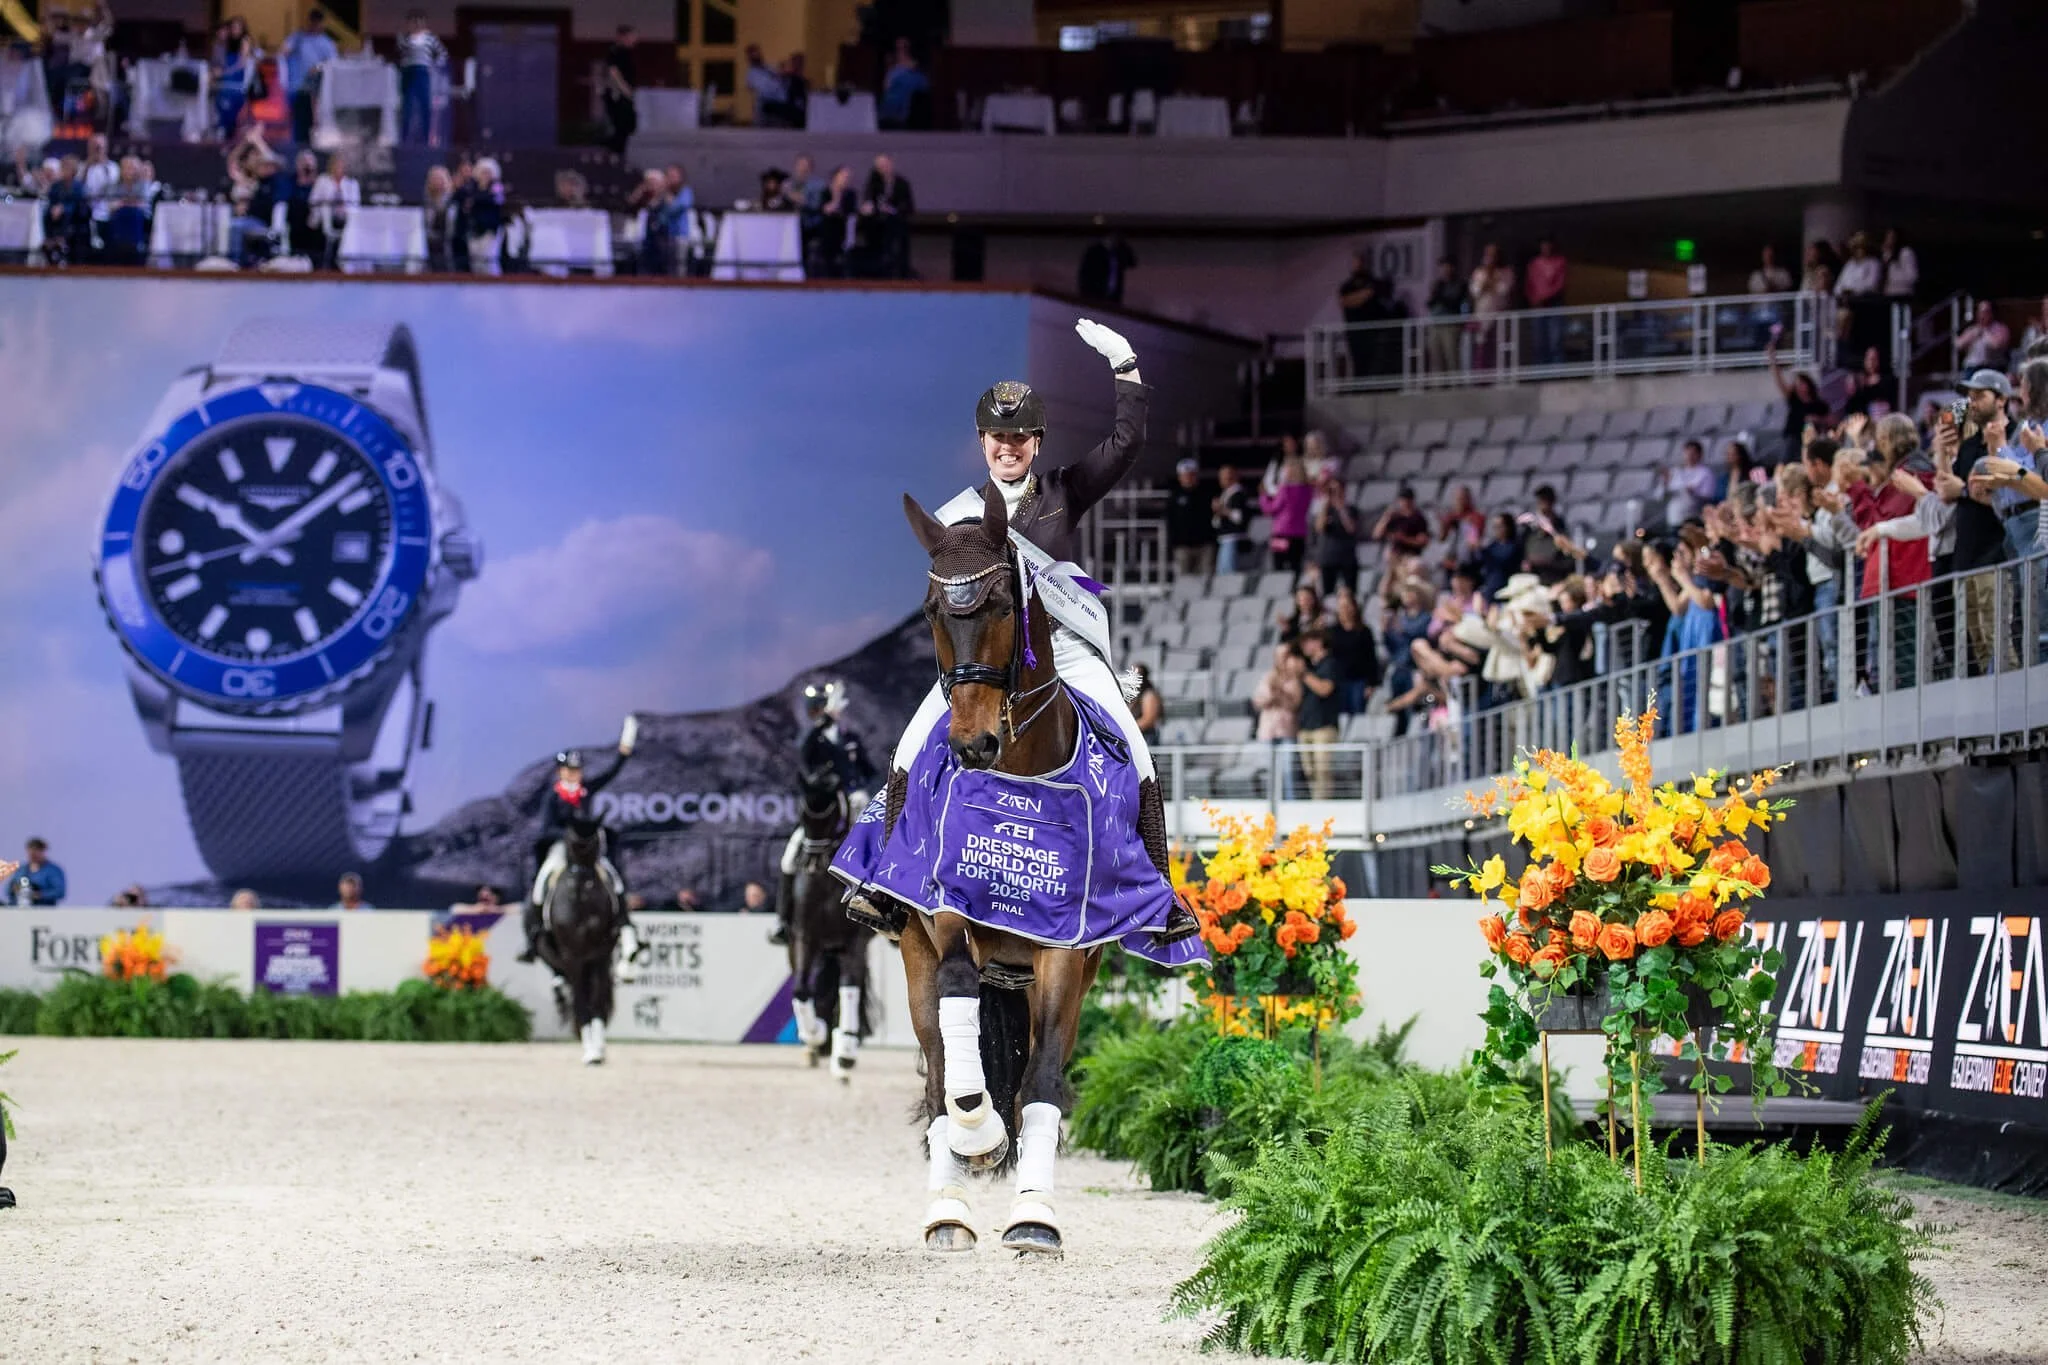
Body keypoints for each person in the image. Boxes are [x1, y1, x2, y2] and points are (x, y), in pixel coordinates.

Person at [881, 320, 1197, 943]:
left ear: (1037, 441)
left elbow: (1127, 442)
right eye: (999, 437)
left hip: (1065, 652)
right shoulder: (957, 518)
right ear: (982, 441)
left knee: (1136, 749)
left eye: (1021, 437)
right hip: (989, 661)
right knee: (906, 749)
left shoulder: (1063, 491)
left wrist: (1125, 364)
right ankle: (891, 885)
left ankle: (1157, 894)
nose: (1010, 447)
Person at [519, 717, 644, 976]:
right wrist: (569, 835)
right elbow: (546, 828)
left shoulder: (585, 790)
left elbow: (611, 774)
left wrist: (624, 751)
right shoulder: (553, 797)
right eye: (570, 770)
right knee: (542, 883)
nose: (574, 774)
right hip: (561, 849)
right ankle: (533, 937)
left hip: (586, 850)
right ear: (561, 772)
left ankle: (624, 923)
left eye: (578, 770)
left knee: (613, 877)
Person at [770, 680, 875, 946]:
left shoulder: (849, 738)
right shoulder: (811, 737)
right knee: (789, 858)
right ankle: (783, 920)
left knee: (875, 842)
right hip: (823, 804)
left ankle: (884, 908)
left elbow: (867, 769)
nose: (818, 713)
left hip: (851, 799)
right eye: (815, 710)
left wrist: (858, 783)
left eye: (821, 708)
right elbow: (805, 766)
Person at [1295, 631, 1344, 799]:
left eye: (1307, 642)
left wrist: (1304, 675)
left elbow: (1325, 689)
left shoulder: (1330, 664)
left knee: (1322, 771)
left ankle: (1323, 807)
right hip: (1306, 725)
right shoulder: (1310, 667)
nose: (1304, 647)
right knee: (1309, 772)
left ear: (1319, 641)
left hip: (1324, 726)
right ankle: (1315, 803)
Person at [281, 9, 337, 147]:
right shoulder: (298, 38)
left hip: (315, 92)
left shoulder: (327, 43)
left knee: (313, 124)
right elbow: (284, 51)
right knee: (296, 123)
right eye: (312, 21)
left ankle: (312, 150)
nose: (315, 25)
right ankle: (296, 150)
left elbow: (333, 65)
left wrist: (318, 68)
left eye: (318, 22)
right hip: (296, 87)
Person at [1767, 333, 1830, 444]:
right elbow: (1779, 380)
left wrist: (1816, 419)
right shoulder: (1794, 400)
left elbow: (1831, 421)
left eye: (1801, 384)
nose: (1799, 387)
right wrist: (1772, 358)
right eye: (1797, 385)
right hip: (1792, 437)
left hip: (1812, 440)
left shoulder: (1819, 404)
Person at [859, 153, 913, 279]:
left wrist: (893, 210)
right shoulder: (873, 183)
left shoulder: (902, 183)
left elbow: (909, 207)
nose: (883, 169)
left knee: (897, 248)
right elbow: (868, 200)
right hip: (877, 226)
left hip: (896, 225)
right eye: (880, 166)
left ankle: (899, 275)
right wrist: (868, 208)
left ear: (891, 164)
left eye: (885, 165)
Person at [1327, 590, 1381, 715]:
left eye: (1348, 606)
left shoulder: (1364, 631)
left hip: (1359, 681)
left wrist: (1371, 683)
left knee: (1358, 712)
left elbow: (1371, 658)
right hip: (1339, 680)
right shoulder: (1332, 631)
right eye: (1342, 607)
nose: (1345, 610)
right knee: (1341, 715)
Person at [396, 12, 445, 147]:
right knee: (407, 107)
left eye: (419, 22)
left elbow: (442, 54)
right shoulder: (405, 38)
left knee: (424, 106)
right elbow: (400, 52)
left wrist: (433, 66)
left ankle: (425, 139)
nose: (416, 25)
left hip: (423, 72)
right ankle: (404, 139)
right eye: (413, 22)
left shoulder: (430, 38)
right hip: (408, 72)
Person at [1310, 474, 1362, 597]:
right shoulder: (1324, 510)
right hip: (1327, 558)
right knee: (1327, 593)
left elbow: (1351, 528)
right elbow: (1319, 527)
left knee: (1350, 592)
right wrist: (1326, 502)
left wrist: (1340, 507)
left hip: (1347, 558)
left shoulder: (1351, 509)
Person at [1165, 458, 1216, 577]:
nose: (1188, 478)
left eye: (1191, 475)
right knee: (1184, 580)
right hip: (1183, 546)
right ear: (1180, 477)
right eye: (1185, 475)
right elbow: (1170, 521)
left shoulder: (1206, 494)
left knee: (1205, 578)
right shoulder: (1174, 497)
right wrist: (1174, 542)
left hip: (1204, 545)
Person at [1524, 238, 1568, 365]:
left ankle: (1557, 373)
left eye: (1548, 246)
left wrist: (1544, 297)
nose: (1546, 248)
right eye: (1543, 246)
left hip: (1554, 305)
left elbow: (1560, 284)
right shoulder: (1534, 264)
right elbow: (1529, 284)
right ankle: (1539, 373)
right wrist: (1532, 299)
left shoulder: (1560, 261)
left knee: (1555, 340)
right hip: (1538, 307)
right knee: (1538, 342)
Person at [211, 17, 254, 140]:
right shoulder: (227, 42)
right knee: (220, 101)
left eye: (237, 28)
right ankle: (224, 129)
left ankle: (229, 131)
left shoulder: (244, 41)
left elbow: (242, 63)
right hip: (225, 79)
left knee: (231, 102)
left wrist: (225, 72)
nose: (234, 30)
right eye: (232, 28)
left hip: (236, 79)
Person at [1425, 257, 1469, 375]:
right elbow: (1430, 303)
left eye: (1447, 266)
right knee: (1436, 359)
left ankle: (1455, 388)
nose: (1445, 270)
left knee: (1452, 358)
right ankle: (1437, 388)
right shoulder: (1437, 285)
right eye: (1442, 267)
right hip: (1435, 326)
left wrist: (1441, 297)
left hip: (1451, 326)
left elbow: (1456, 303)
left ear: (1453, 268)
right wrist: (1436, 296)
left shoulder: (1460, 284)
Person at [1663, 439, 1720, 526]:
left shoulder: (1706, 473)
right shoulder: (1676, 472)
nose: (1689, 456)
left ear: (1700, 455)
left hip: (1693, 518)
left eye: (1693, 453)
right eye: (1687, 453)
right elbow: (1664, 494)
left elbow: (1708, 497)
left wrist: (1693, 492)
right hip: (1674, 517)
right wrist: (1666, 482)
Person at [602, 25, 639, 156]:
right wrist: (626, 90)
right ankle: (614, 154)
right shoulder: (616, 51)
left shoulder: (627, 53)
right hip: (618, 96)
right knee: (621, 126)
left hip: (625, 96)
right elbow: (614, 73)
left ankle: (620, 153)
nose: (635, 39)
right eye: (632, 36)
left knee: (628, 127)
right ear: (623, 37)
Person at [877, 37, 928, 130]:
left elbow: (924, 86)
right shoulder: (892, 69)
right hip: (888, 113)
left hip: (906, 113)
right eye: (898, 48)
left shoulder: (916, 69)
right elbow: (886, 88)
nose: (900, 51)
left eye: (904, 47)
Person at [1212, 463, 1255, 573]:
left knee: (1229, 573)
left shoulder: (1239, 494)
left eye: (1225, 475)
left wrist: (1222, 510)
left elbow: (1239, 517)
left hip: (1233, 539)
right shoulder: (1225, 494)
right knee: (1222, 572)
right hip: (1224, 538)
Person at [1077, 233, 1136, 304]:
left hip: (1113, 293)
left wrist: (1124, 246)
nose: (1114, 242)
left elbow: (1132, 263)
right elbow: (1085, 272)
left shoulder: (1118, 253)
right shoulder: (1094, 251)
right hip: (1094, 292)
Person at [5, 839, 64, 905]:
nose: (33, 854)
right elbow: (8, 890)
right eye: (31, 852)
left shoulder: (52, 870)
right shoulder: (21, 870)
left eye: (36, 851)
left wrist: (39, 895)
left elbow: (59, 892)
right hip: (19, 908)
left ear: (43, 851)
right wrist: (16, 890)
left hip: (42, 909)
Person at [1957, 302, 2011, 374]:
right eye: (1980, 312)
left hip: (1993, 367)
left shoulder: (2000, 328)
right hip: (1972, 367)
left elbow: (1997, 345)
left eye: (1985, 312)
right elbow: (1958, 345)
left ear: (1992, 313)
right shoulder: (1972, 329)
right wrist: (1971, 336)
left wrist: (1985, 332)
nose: (1982, 315)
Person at [1130, 662, 1163, 747]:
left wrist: (1128, 728)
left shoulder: (1149, 695)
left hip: (1146, 738)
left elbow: (1148, 720)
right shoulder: (1136, 695)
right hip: (1138, 736)